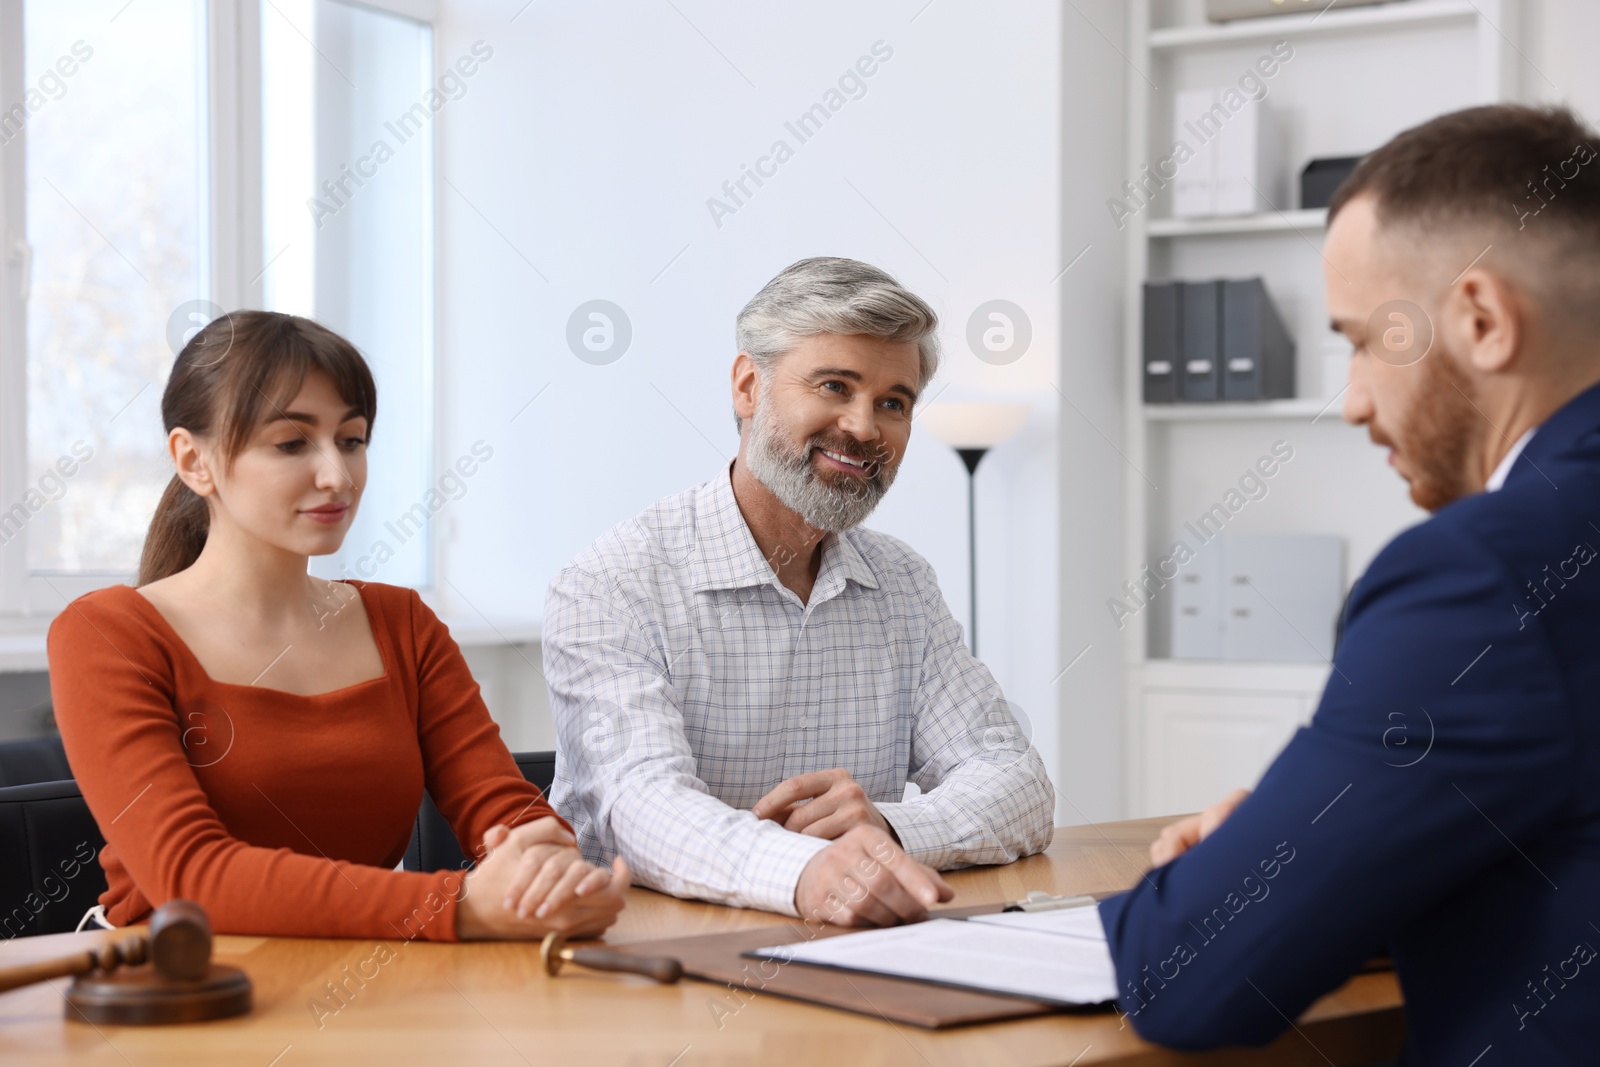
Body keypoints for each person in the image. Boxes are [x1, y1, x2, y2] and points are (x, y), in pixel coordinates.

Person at [1099, 105, 1600, 1062]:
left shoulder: (1483, 573)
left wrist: (1227, 876)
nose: (1355, 399)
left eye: (1365, 339)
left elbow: (1188, 977)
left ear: (1484, 321)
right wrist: (1344, 853)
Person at [48, 311, 628, 941]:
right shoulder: (106, 634)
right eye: (292, 444)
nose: (337, 476)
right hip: (174, 994)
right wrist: (454, 906)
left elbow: (507, 813)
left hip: (363, 982)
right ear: (194, 460)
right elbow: (189, 878)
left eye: (351, 440)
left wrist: (546, 871)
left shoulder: (401, 624)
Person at [544, 257, 1055, 927]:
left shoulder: (903, 584)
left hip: (853, 948)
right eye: (834, 385)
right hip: (651, 964)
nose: (865, 427)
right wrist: (808, 869)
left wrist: (890, 828)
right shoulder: (611, 582)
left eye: (893, 402)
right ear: (748, 385)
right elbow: (641, 808)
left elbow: (1018, 783)